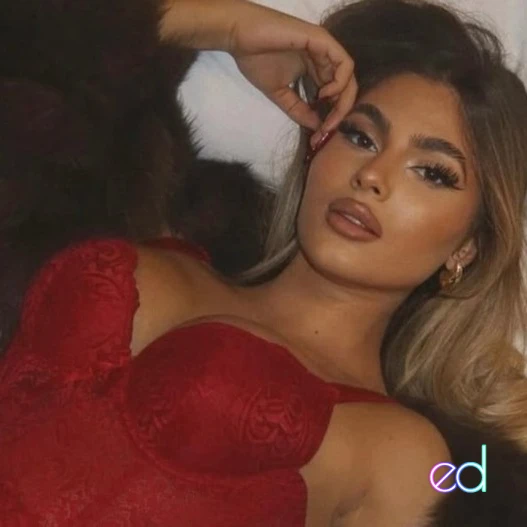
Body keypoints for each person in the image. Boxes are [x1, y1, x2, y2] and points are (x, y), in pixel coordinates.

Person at [1, 1, 527, 526]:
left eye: (432, 172)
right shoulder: (154, 217)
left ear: (467, 247)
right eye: (360, 136)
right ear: (318, 144)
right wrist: (221, 26)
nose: (372, 175)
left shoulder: (409, 458)